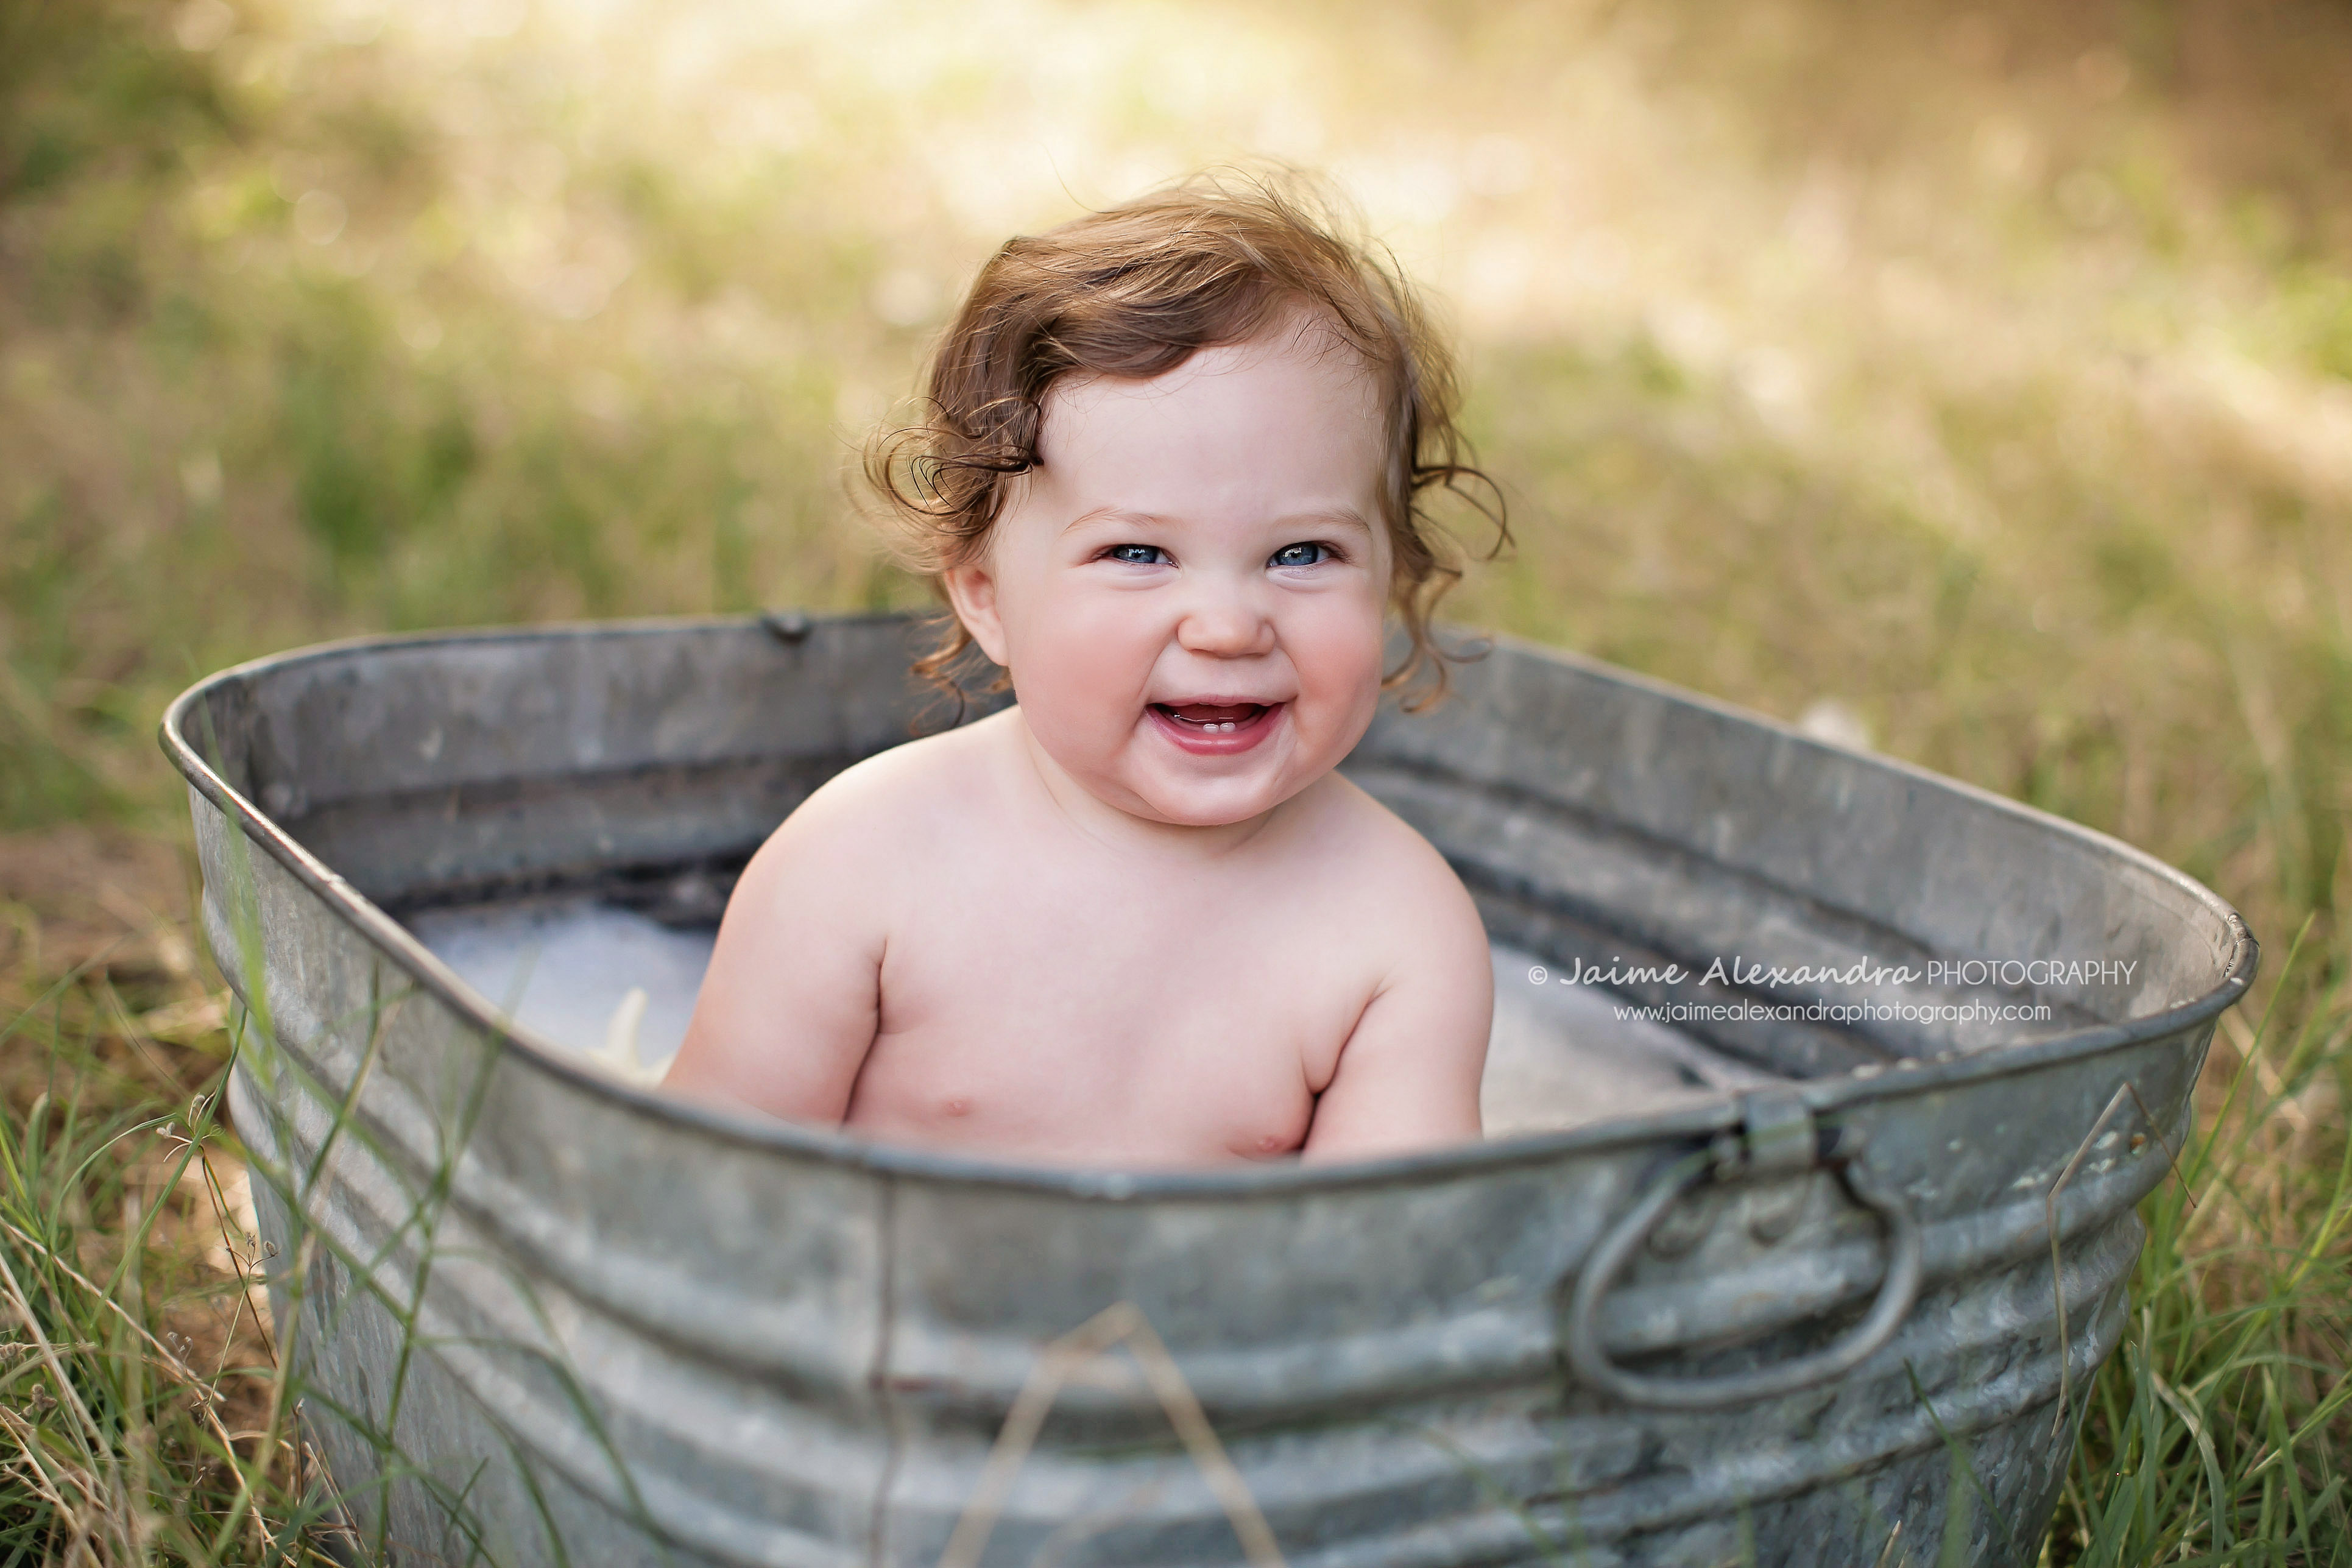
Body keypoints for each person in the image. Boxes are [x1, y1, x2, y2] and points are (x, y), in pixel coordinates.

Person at [663, 172, 1502, 1166]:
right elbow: (698, 1197)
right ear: (985, 596)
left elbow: (1389, 1284)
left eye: (1302, 553)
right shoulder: (863, 860)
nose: (1229, 625)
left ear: (1390, 571)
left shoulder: (1397, 930)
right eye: (1137, 555)